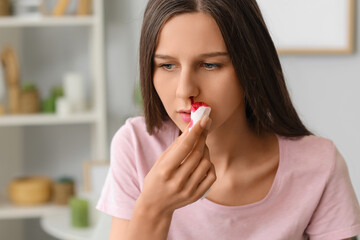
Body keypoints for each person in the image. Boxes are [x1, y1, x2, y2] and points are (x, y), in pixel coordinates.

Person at [97, 0, 360, 239]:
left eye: (210, 65)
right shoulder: (135, 147)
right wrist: (153, 208)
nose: (185, 90)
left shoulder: (319, 165)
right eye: (167, 66)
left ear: (252, 69)